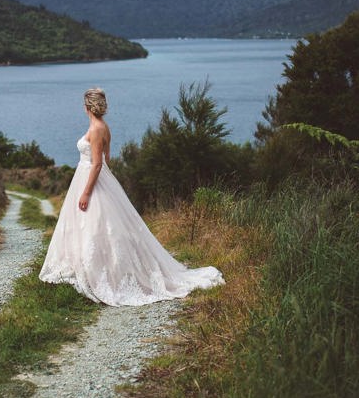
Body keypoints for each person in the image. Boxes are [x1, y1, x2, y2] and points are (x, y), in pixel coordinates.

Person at [39, 87, 224, 306]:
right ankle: (90, 265)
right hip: (90, 177)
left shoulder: (97, 128)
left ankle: (102, 273)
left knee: (96, 224)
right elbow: (108, 158)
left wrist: (86, 192)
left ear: (87, 106)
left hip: (91, 180)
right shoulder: (102, 126)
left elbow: (98, 164)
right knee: (94, 226)